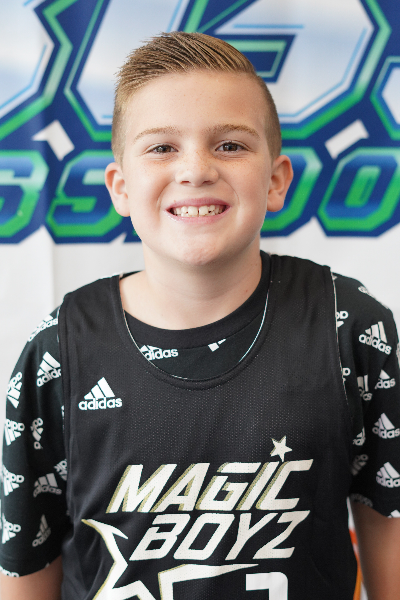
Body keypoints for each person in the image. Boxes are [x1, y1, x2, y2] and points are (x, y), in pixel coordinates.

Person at [1, 31, 400, 600]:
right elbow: (25, 562)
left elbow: (389, 525)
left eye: (230, 145)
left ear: (276, 181)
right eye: (162, 148)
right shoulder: (60, 351)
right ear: (120, 188)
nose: (195, 170)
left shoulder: (349, 325)